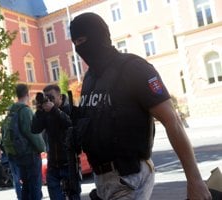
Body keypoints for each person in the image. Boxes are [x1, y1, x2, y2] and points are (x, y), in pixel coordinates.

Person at [69, 12, 212, 200]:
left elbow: (172, 121)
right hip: (102, 180)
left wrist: (195, 180)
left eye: (83, 40)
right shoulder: (89, 79)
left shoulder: (133, 68)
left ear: (99, 35)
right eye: (76, 43)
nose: (80, 48)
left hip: (129, 176)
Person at [32, 84, 81, 200]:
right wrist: (39, 111)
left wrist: (54, 110)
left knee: (74, 196)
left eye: (52, 97)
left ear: (60, 97)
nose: (50, 100)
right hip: (53, 163)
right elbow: (34, 129)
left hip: (69, 162)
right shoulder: (46, 112)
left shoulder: (69, 109)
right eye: (47, 97)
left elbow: (70, 123)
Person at [5, 83, 46, 200]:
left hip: (18, 154)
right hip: (30, 153)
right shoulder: (25, 111)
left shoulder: (12, 111)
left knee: (26, 187)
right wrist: (42, 148)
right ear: (27, 94)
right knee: (35, 187)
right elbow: (32, 132)